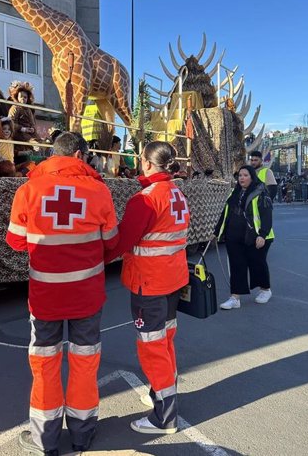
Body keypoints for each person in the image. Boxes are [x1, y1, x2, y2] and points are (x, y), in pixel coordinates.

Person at [6, 132, 119, 456]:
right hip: (87, 296)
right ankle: (83, 434)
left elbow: (14, 241)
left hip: (45, 298)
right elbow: (111, 241)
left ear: (53, 155)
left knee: (45, 366)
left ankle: (45, 440)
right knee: (84, 365)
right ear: (81, 156)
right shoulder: (98, 191)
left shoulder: (28, 190)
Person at [104, 141, 190, 435]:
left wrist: (95, 258)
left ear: (148, 163)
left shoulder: (145, 199)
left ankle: (164, 417)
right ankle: (161, 393)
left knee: (152, 346)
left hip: (149, 282)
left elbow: (122, 241)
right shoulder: (177, 193)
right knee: (165, 341)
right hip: (172, 280)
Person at [214, 164, 274, 309]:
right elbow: (225, 214)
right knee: (236, 266)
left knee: (257, 263)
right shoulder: (234, 193)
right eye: (240, 175)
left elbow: (266, 215)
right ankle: (235, 297)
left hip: (255, 236)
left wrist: (262, 235)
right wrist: (216, 232)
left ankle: (265, 290)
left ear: (252, 177)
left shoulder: (261, 193)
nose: (242, 178)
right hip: (234, 236)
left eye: (246, 175)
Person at [8, 81, 40, 147]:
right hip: (18, 132)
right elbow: (10, 122)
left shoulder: (28, 109)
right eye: (21, 97)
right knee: (32, 141)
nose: (23, 99)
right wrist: (23, 129)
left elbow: (32, 122)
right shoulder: (15, 107)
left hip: (29, 132)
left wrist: (32, 129)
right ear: (17, 97)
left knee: (39, 140)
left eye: (25, 97)